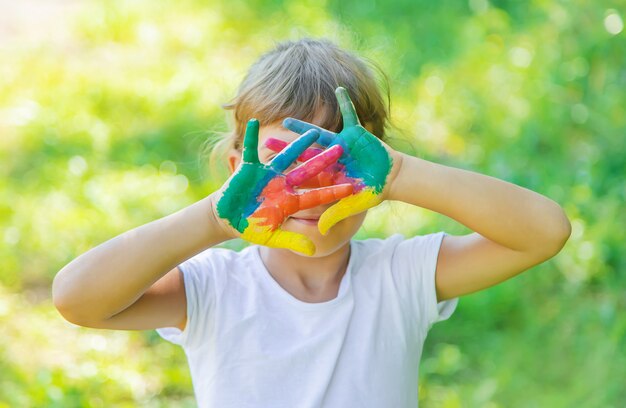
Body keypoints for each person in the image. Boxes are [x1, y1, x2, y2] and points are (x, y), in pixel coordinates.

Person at [52, 38, 572, 407]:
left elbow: (545, 231)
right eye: (283, 167)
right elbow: (77, 299)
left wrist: (403, 174)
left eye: (336, 165)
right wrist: (214, 219)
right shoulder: (214, 287)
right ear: (238, 173)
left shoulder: (401, 275)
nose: (311, 192)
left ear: (378, 166)